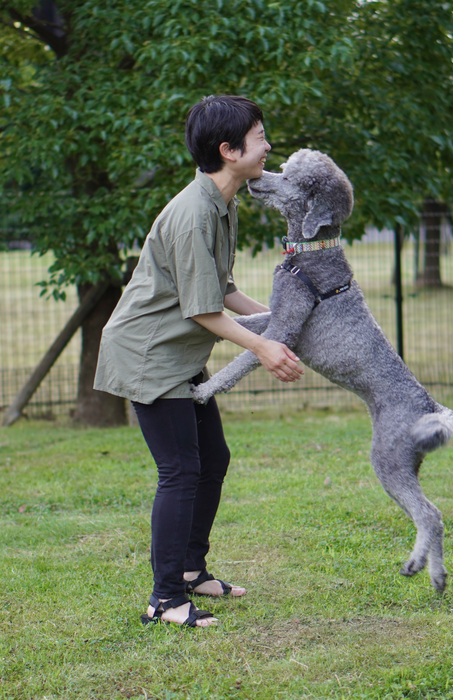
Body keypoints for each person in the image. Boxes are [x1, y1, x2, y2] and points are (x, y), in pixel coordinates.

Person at [94, 95, 303, 628]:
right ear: (229, 150)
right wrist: (262, 346)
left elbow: (224, 290)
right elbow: (203, 309)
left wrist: (280, 321)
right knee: (180, 470)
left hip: (178, 352)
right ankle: (164, 599)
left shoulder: (221, 202)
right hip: (150, 355)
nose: (268, 146)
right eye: (260, 137)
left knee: (213, 459)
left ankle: (191, 570)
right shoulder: (192, 214)